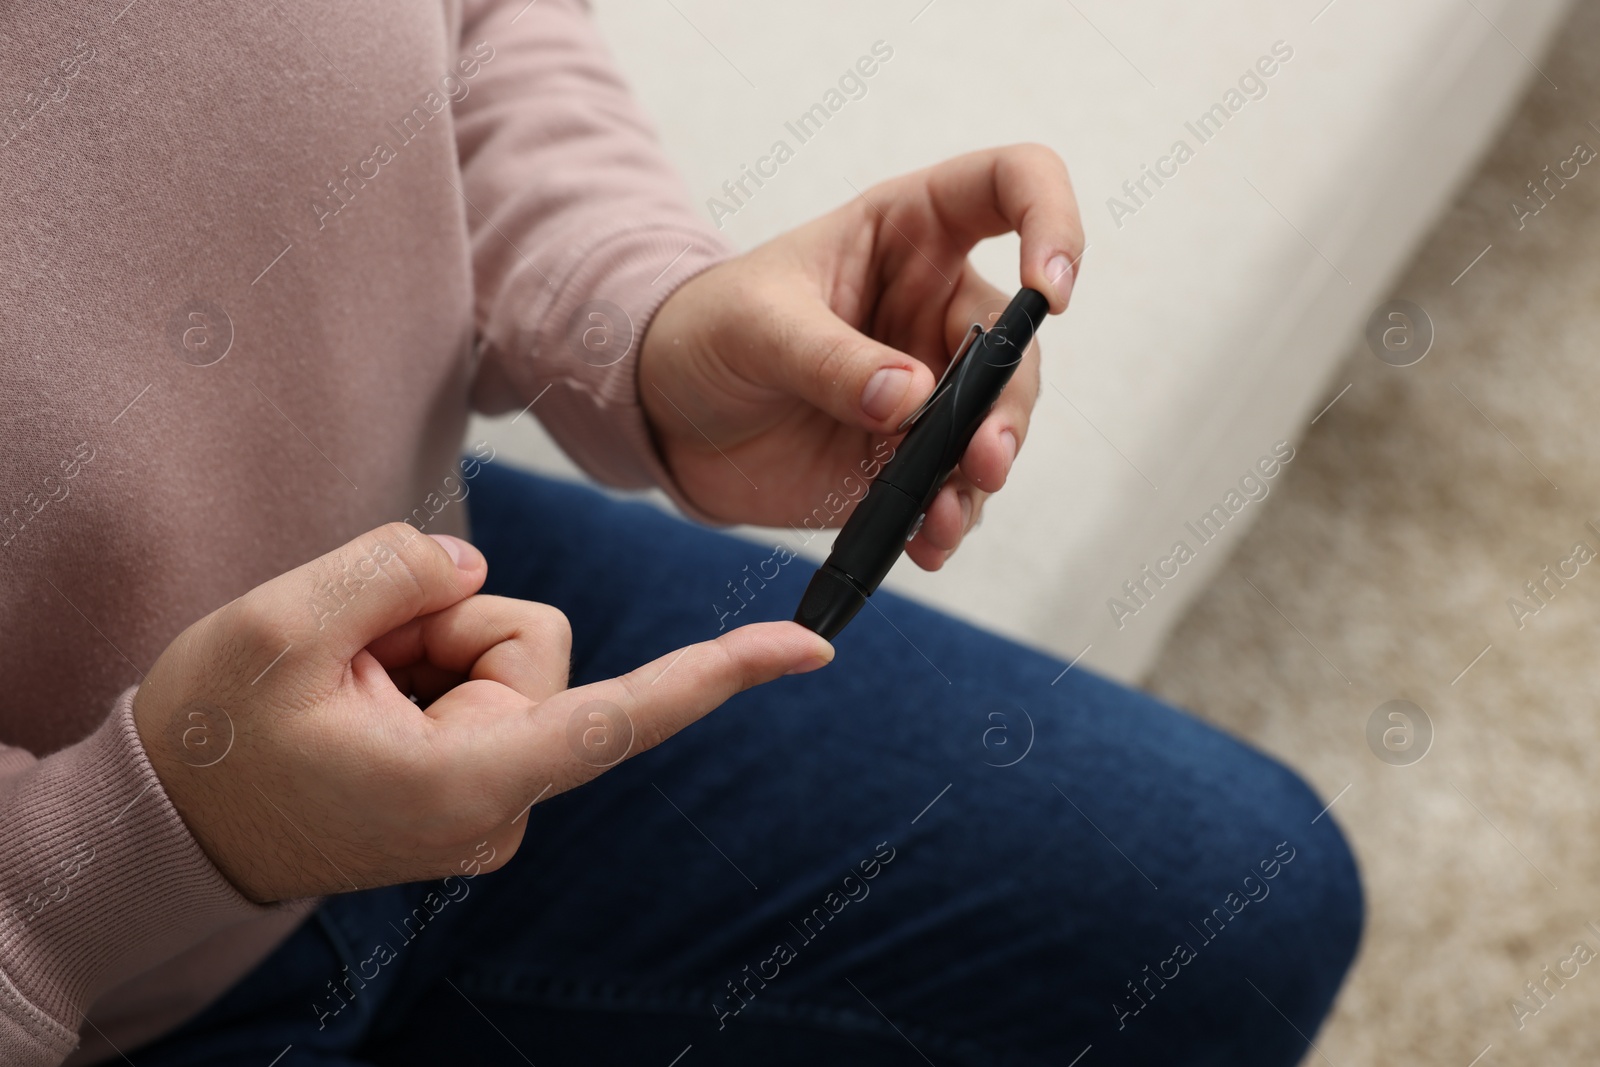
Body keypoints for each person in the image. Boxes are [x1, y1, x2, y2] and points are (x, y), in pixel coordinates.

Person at [0, 1, 1361, 1064]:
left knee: (1240, 897)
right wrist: (138, 850)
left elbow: (476, 22)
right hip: (91, 954)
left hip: (454, 606)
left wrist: (643, 318)